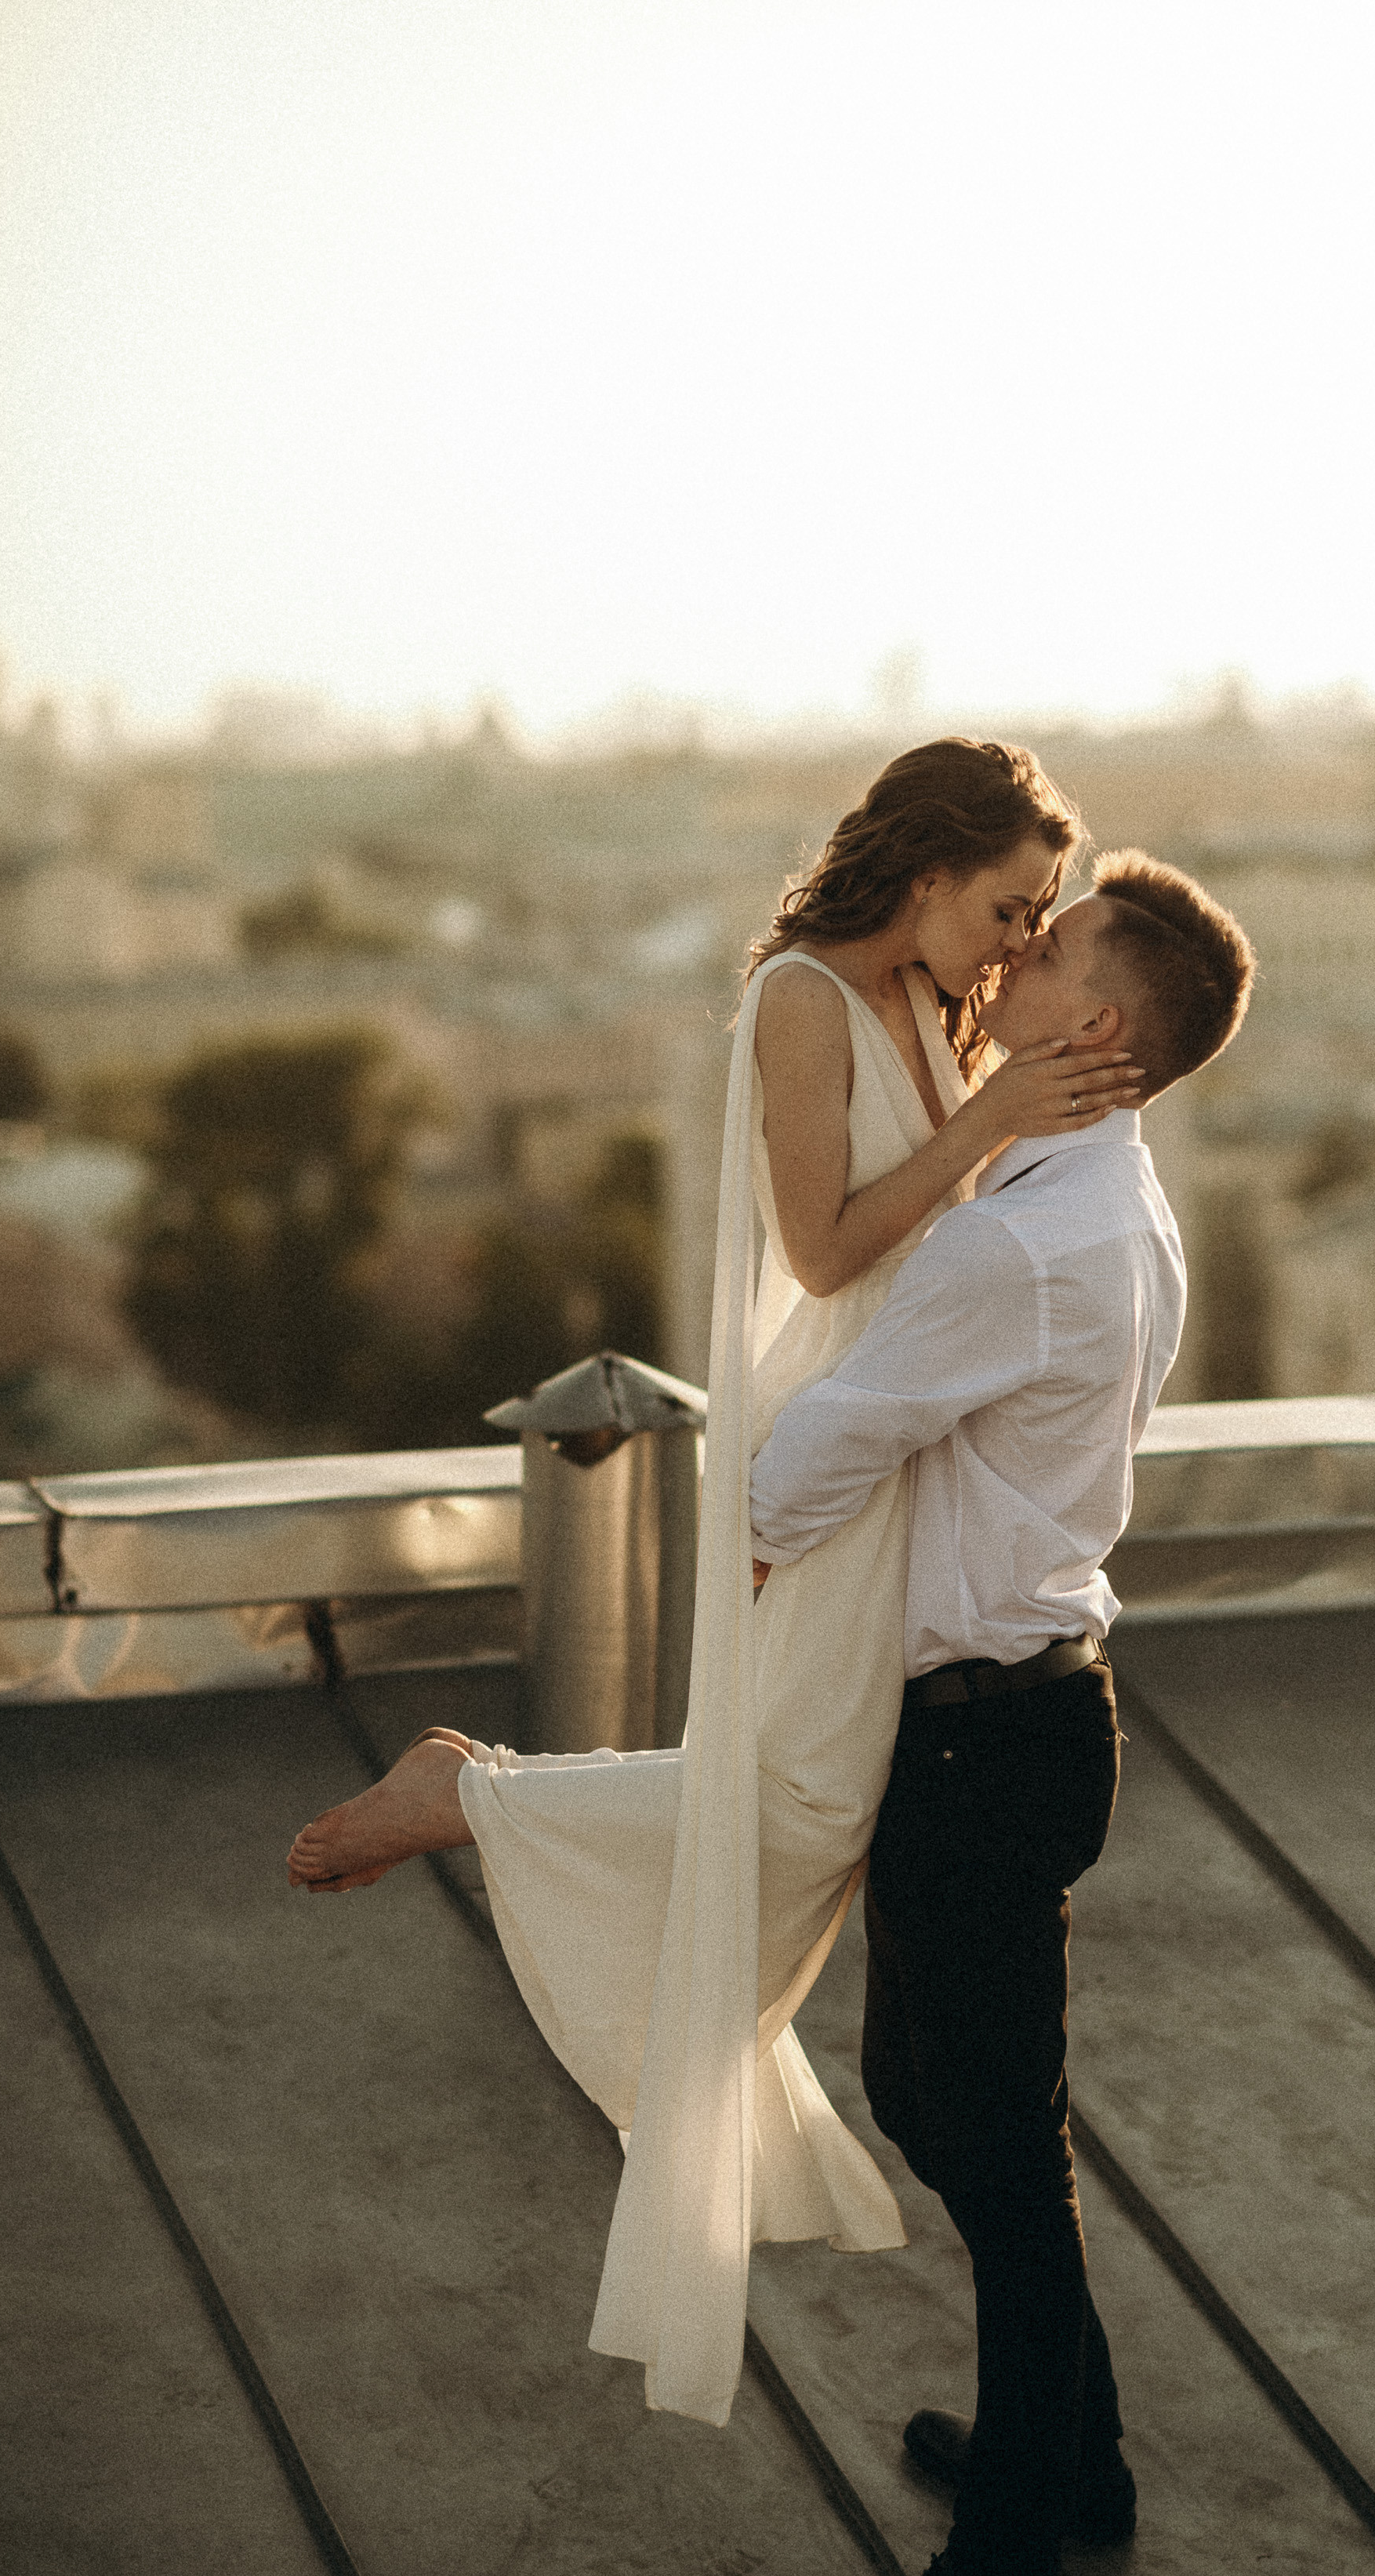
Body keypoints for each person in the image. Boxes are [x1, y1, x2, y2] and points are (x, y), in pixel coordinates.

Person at [283, 738, 1143, 2426]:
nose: (1015, 940)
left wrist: (1003, 1099)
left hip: (899, 1455)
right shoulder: (804, 1000)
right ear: (923, 863)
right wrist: (995, 1116)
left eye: (1040, 916)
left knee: (805, 1814)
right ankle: (474, 1795)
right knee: (809, 1808)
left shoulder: (928, 1003)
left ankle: (490, 1802)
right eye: (1006, 903)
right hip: (830, 1454)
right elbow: (822, 1246)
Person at [745, 850, 1256, 2576]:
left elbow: (823, 1446)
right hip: (1033, 1711)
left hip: (978, 1734)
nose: (1013, 956)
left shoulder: (1019, 1232)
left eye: (1049, 947)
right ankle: (1074, 2454)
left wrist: (751, 1537)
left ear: (1096, 1026)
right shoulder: (1100, 1191)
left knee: (977, 2138)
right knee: (988, 2127)